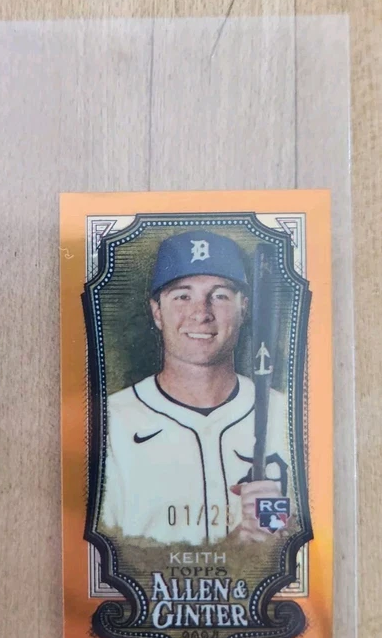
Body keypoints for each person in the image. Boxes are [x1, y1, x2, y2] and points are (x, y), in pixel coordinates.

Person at [99, 229, 291, 547]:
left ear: (244, 308)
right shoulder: (109, 424)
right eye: (182, 296)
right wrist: (235, 551)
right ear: (157, 312)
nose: (201, 313)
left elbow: (299, 541)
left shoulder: (288, 417)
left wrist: (274, 531)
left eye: (220, 295)